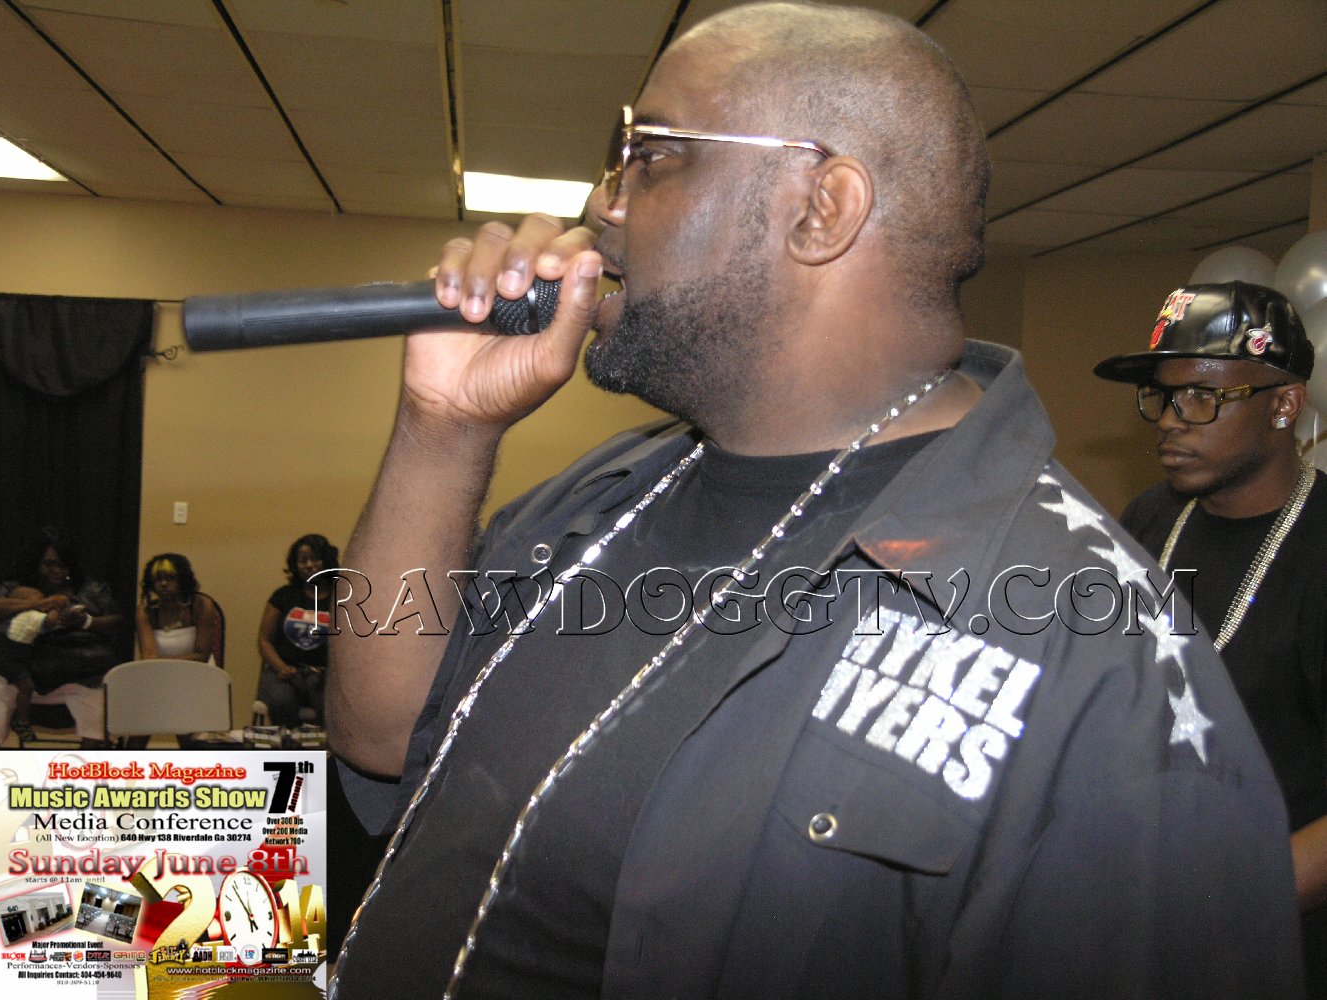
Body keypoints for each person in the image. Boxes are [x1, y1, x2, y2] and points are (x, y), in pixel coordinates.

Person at [326, 4, 1304, 997]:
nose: (600, 202)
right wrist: (443, 429)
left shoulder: (1094, 653)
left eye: (649, 156)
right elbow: (382, 735)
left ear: (822, 207)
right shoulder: (604, 494)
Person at [1096, 279, 1327, 996]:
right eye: (1161, 397)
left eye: (1201, 397)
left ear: (1283, 405)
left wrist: (1224, 915)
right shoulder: (1150, 518)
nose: (1169, 421)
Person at [0, 528, 121, 747]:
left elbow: (117, 621)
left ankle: (88, 764)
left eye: (63, 564)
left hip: (81, 673)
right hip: (18, 673)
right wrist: (39, 603)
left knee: (98, 705)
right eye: (50, 564)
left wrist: (86, 622)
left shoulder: (91, 590)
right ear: (36, 562)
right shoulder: (13, 589)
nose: (57, 570)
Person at [257, 533, 337, 727]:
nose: (309, 565)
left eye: (315, 559)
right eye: (302, 561)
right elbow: (264, 640)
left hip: (325, 675)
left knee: (333, 706)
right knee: (281, 701)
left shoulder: (341, 596)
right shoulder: (283, 596)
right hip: (284, 673)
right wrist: (281, 667)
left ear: (326, 561)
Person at [135, 553, 221, 663]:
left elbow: (201, 656)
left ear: (183, 580)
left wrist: (162, 661)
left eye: (170, 578)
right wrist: (161, 664)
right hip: (159, 670)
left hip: (198, 669)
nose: (163, 583)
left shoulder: (201, 605)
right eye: (158, 579)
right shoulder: (146, 611)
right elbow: (149, 657)